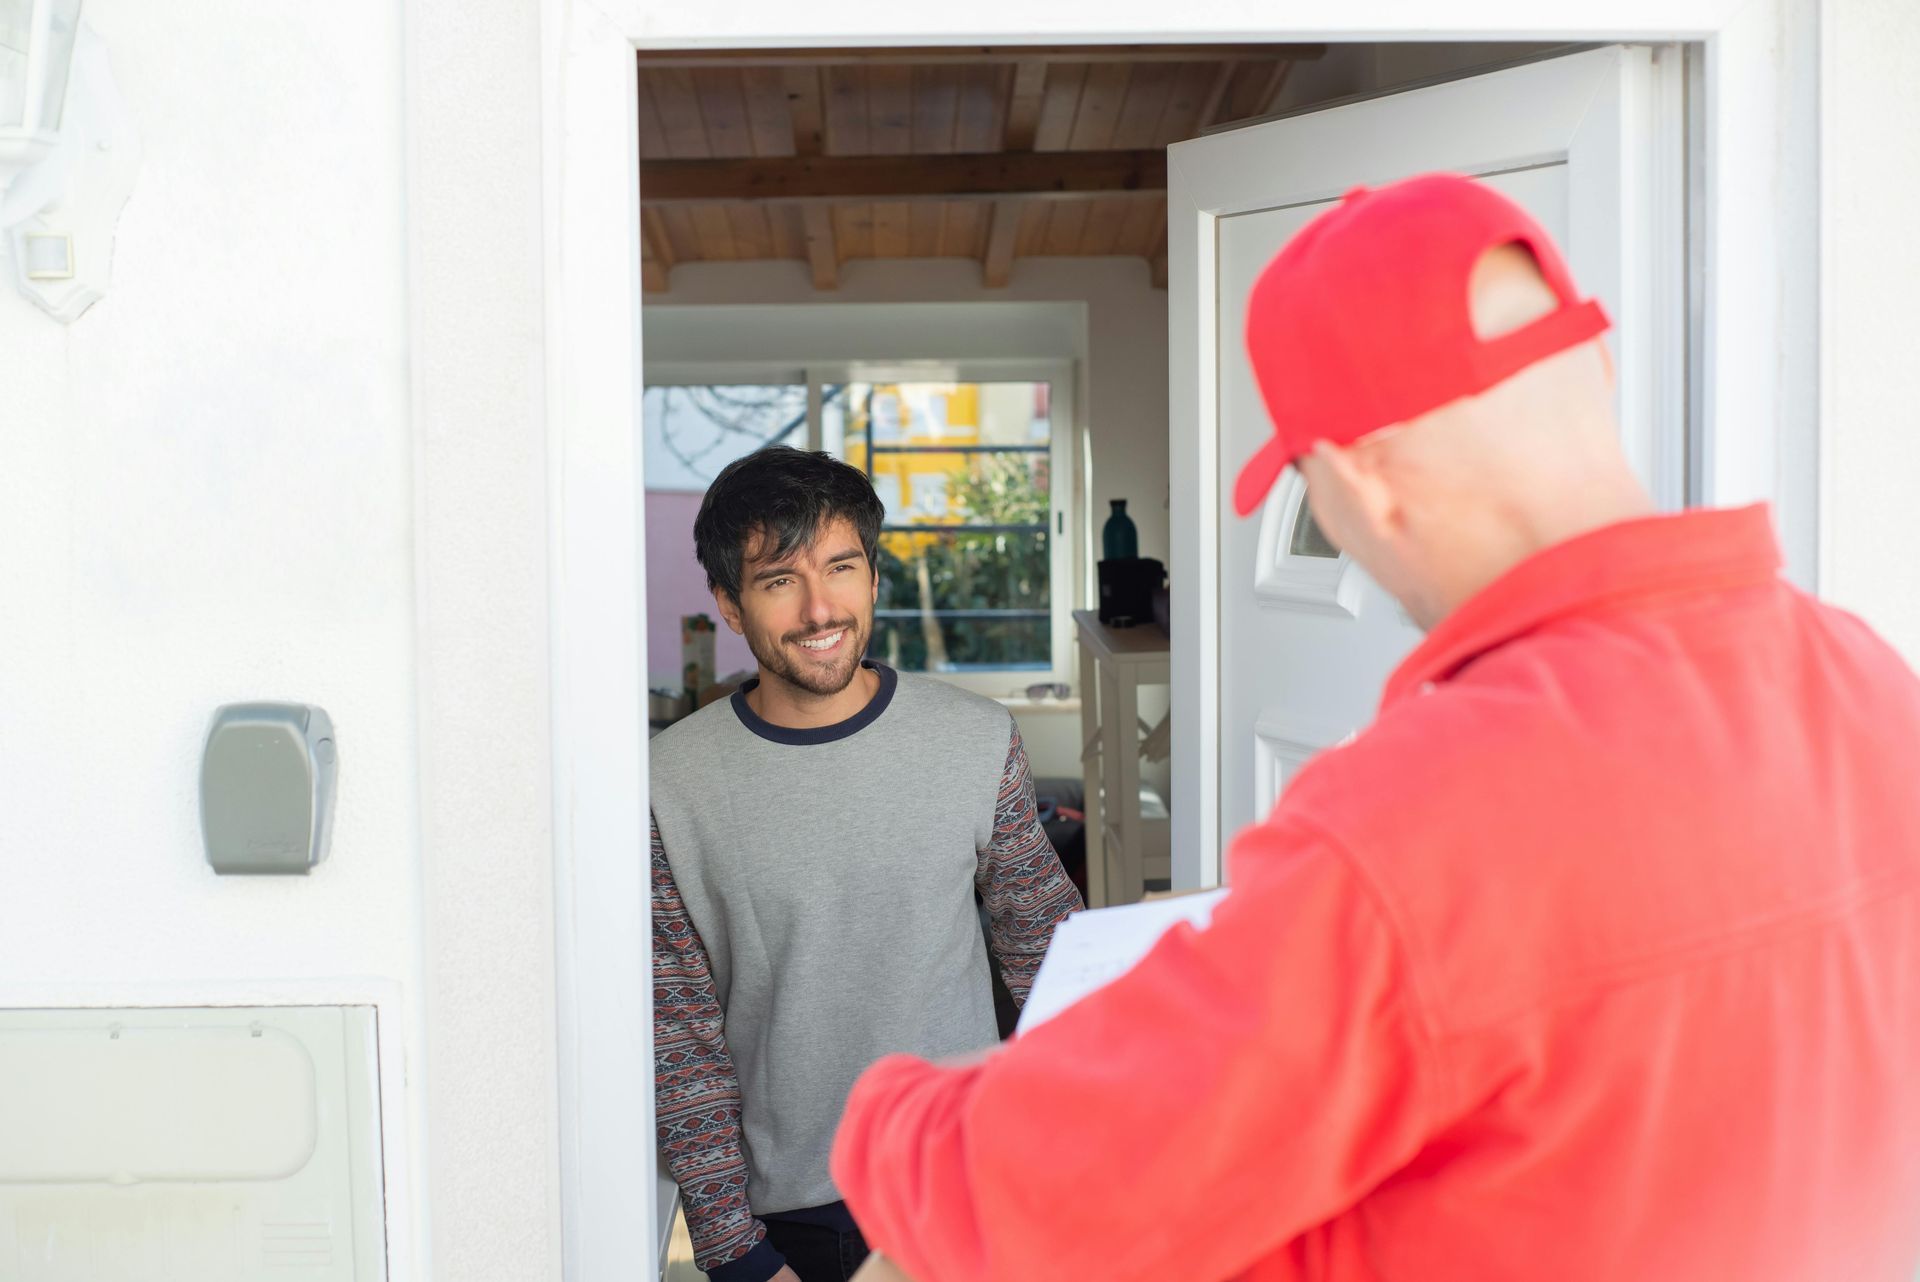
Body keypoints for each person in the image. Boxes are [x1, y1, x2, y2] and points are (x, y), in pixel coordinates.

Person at [827, 174, 1920, 1281]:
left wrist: (885, 1112)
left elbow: (1033, 1193)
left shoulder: (1430, 815)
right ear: (1593, 362)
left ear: (1360, 486)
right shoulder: (1872, 681)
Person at [650, 446, 1084, 1282]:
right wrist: (736, 1254)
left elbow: (1050, 957)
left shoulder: (977, 740)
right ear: (729, 606)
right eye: (779, 580)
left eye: (841, 567)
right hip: (797, 1220)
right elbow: (680, 1036)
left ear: (874, 576)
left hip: (970, 1187)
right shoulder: (671, 784)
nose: (821, 608)